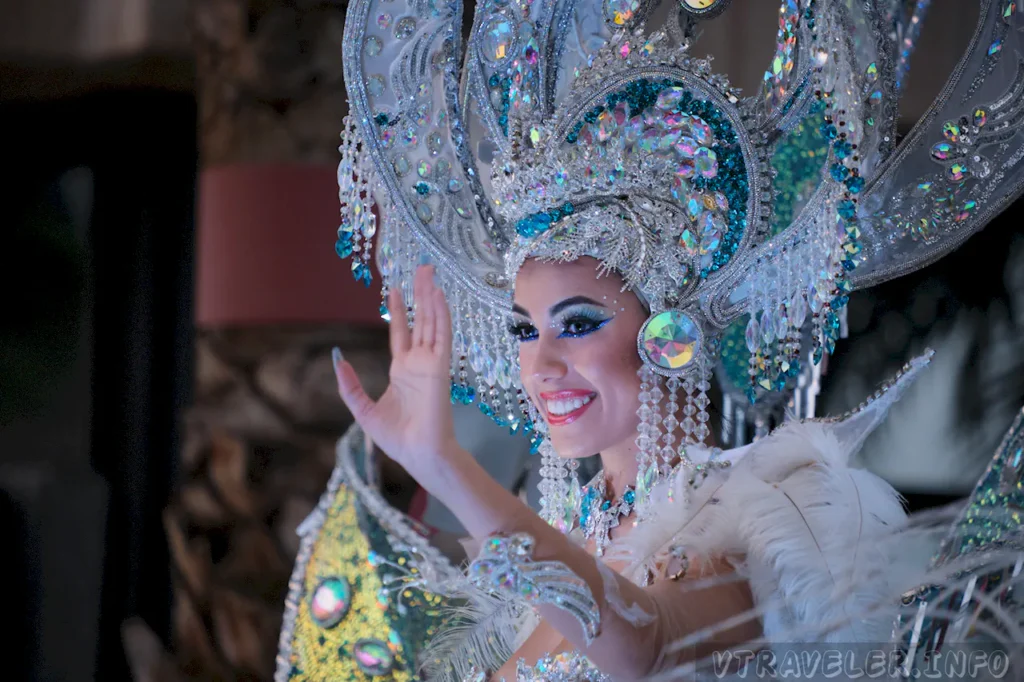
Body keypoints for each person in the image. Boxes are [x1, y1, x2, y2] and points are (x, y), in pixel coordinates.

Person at [277, 1, 1024, 680]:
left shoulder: (739, 514)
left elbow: (647, 645)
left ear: (667, 337)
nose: (542, 364)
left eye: (577, 323)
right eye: (523, 329)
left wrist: (444, 466)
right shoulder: (568, 528)